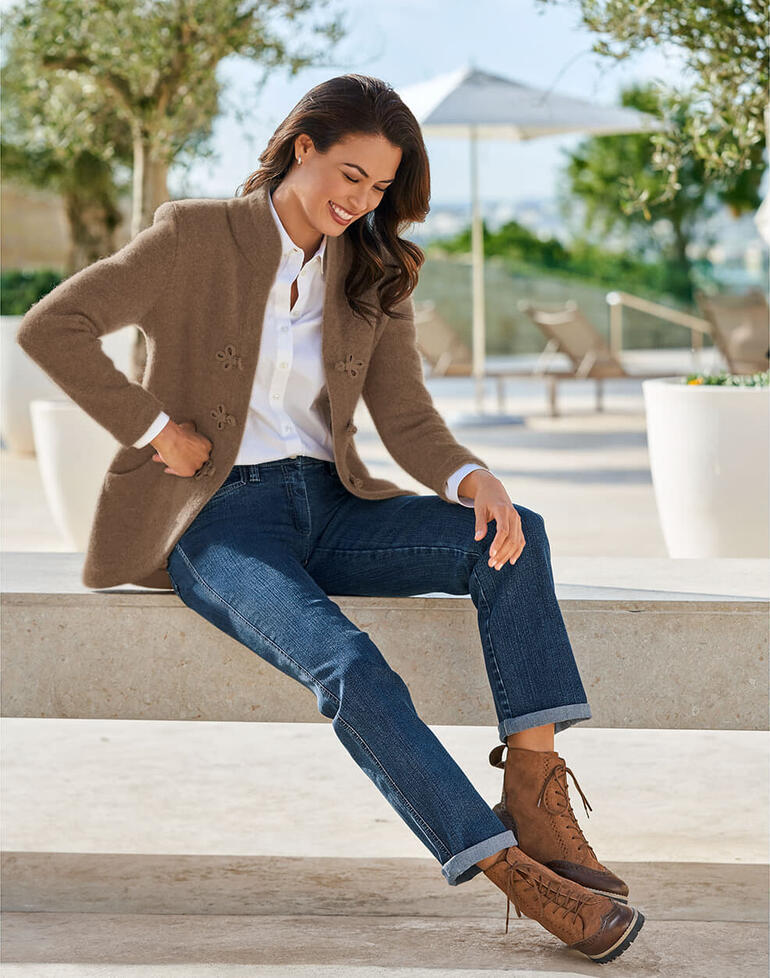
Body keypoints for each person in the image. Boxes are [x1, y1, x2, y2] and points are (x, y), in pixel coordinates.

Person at [17, 72, 644, 964]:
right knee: (351, 667)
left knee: (512, 536)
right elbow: (54, 325)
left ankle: (537, 796)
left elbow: (407, 418)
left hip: (334, 505)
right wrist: (158, 430)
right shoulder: (196, 235)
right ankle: (518, 880)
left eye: (380, 187)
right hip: (219, 521)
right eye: (348, 175)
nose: (360, 201)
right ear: (301, 147)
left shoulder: (373, 270)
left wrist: (474, 479)